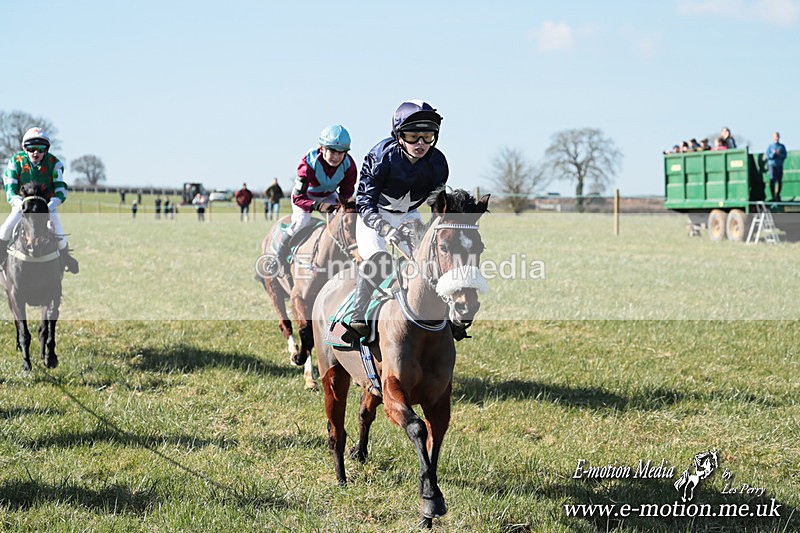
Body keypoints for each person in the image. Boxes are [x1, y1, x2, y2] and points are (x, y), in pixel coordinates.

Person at [346, 100, 448, 340]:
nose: (421, 143)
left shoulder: (438, 163)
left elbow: (437, 207)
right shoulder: (381, 156)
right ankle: (357, 315)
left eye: (428, 136)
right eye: (413, 136)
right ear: (399, 136)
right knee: (379, 260)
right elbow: (364, 202)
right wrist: (383, 227)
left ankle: (448, 316)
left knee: (429, 262)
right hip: (375, 213)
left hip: (409, 215)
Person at [271, 125, 357, 269]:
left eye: (341, 153)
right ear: (322, 148)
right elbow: (298, 198)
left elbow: (346, 194)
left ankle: (347, 259)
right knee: (301, 221)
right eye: (332, 151)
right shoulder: (308, 163)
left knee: (343, 222)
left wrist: (342, 208)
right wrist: (317, 205)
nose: (336, 157)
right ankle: (279, 257)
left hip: (328, 195)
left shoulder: (349, 166)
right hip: (305, 196)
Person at [0, 127, 79, 273]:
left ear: (46, 150)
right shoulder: (15, 161)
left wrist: (50, 205)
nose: (36, 152)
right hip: (22, 205)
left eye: (41, 149)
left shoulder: (55, 163)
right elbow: (10, 190)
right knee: (5, 229)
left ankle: (66, 260)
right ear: (25, 148)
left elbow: (60, 189)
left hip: (46, 205)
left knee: (60, 234)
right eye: (31, 148)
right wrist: (21, 204)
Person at [766, 132, 787, 202]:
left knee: (779, 180)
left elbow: (784, 156)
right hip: (772, 165)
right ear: (773, 137)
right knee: (772, 180)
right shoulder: (770, 146)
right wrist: (773, 153)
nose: (776, 138)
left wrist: (779, 154)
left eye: (777, 137)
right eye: (775, 137)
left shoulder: (782, 146)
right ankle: (773, 196)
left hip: (779, 165)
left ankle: (778, 195)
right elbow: (768, 156)